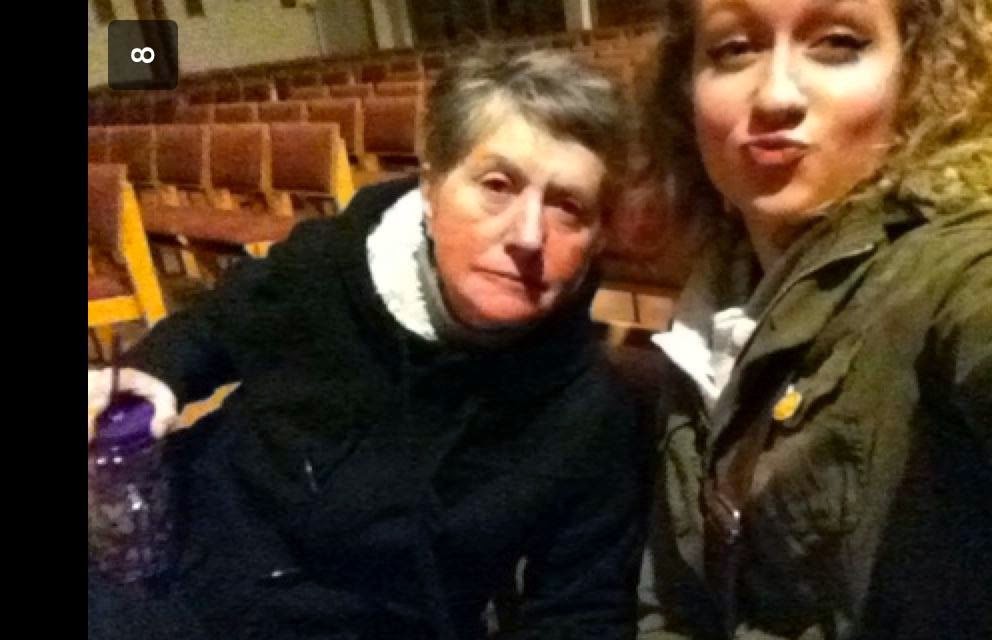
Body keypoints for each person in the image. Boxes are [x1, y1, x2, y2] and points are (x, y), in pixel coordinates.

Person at [88, 49, 648, 640]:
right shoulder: (326, 263)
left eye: (568, 207)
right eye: (496, 185)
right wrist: (158, 369)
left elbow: (580, 617)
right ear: (431, 187)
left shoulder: (589, 418)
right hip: (168, 554)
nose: (528, 236)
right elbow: (218, 322)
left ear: (597, 237)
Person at [634, 0, 992, 637]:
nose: (775, 95)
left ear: (919, 74)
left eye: (837, 43)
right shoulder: (716, 301)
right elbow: (675, 603)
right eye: (734, 49)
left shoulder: (958, 265)